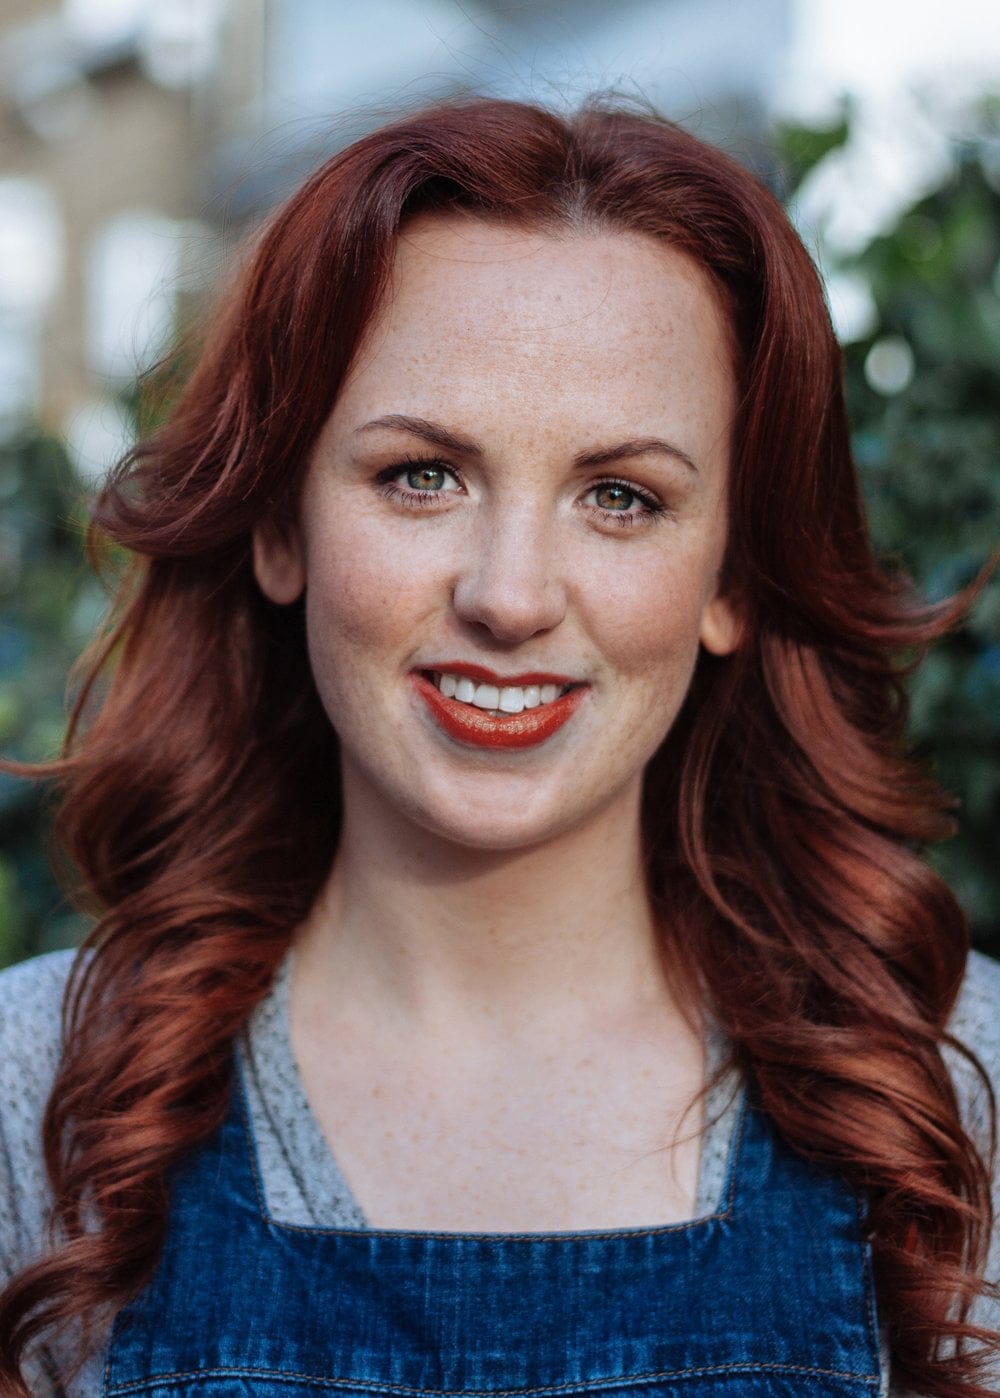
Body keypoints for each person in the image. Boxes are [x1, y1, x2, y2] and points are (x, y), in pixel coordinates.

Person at [0, 95, 997, 1398]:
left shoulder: (955, 1091)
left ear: (733, 577)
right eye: (421, 475)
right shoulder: (38, 1093)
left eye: (621, 497)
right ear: (281, 528)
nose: (511, 596)